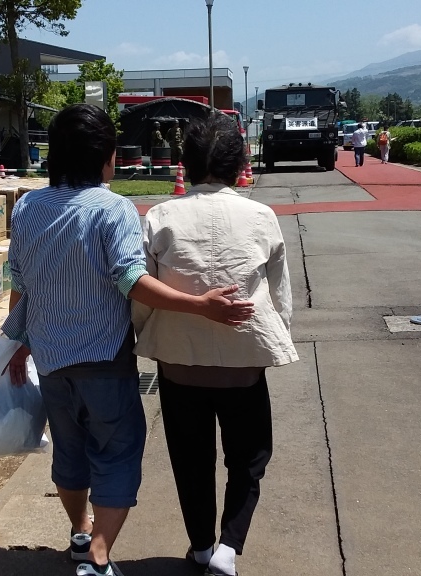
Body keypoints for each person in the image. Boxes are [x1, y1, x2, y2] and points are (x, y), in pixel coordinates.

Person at [2, 104, 255, 576]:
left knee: (70, 450)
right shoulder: (112, 208)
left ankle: (80, 534)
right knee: (118, 451)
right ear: (105, 156)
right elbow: (131, 281)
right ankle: (98, 557)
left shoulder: (29, 206)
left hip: (51, 359)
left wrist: (19, 339)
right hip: (103, 358)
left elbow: (19, 280)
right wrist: (201, 305)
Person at [133, 113, 299, 576]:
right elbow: (280, 297)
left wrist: (145, 335)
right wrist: (275, 338)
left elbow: (144, 291)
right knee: (249, 455)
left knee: (191, 458)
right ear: (238, 162)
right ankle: (229, 547)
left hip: (178, 361)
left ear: (185, 161)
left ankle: (202, 545)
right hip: (243, 361)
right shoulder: (261, 216)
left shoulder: (161, 216)